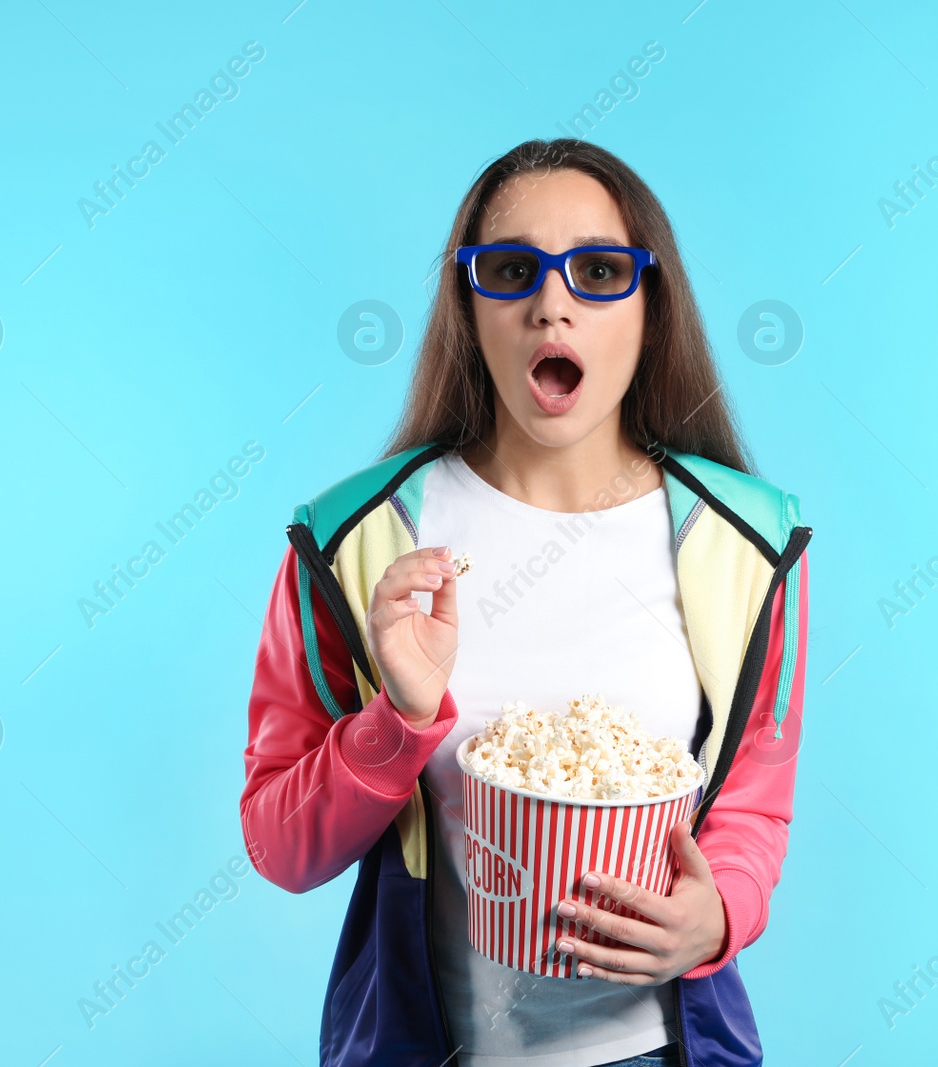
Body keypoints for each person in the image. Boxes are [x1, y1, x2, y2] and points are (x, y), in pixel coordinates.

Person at [240, 138, 812, 1067]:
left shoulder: (746, 542)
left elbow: (754, 807)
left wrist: (717, 916)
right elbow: (279, 844)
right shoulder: (354, 539)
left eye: (598, 270)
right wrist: (400, 718)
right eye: (511, 271)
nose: (554, 303)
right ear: (468, 308)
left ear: (649, 307)